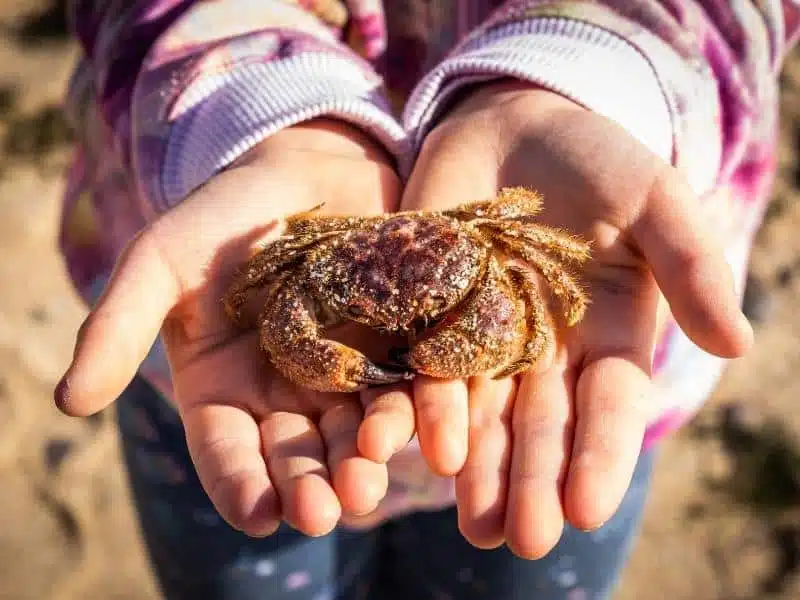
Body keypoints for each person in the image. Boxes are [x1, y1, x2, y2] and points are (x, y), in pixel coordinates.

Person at [54, 1, 799, 599]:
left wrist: (581, 81)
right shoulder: (306, 263)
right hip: (202, 384)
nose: (398, 331)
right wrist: (259, 115)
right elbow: (270, 305)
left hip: (591, 401)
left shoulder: (501, 247)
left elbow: (550, 282)